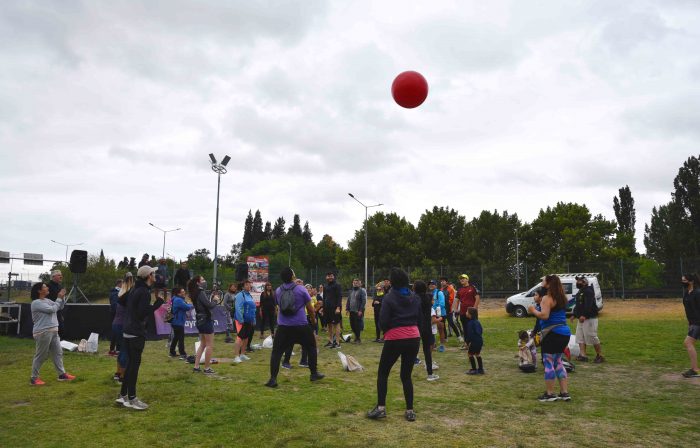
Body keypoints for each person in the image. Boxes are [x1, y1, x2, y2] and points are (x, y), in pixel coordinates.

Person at [367, 268, 422, 422]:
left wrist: (388, 330)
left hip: (395, 337)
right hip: (413, 337)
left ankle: (381, 408)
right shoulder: (415, 297)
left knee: (383, 373)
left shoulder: (389, 297)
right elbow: (419, 317)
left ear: (391, 282)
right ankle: (410, 410)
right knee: (406, 375)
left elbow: (383, 321)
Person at [265, 267, 325, 388]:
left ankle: (273, 379)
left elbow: (278, 308)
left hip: (283, 327)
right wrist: (313, 321)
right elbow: (310, 309)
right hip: (301, 326)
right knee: (311, 347)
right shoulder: (301, 290)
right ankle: (313, 374)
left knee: (276, 352)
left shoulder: (278, 291)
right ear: (293, 276)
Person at [117, 265, 164, 410]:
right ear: (149, 276)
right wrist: (157, 303)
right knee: (134, 366)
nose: (155, 275)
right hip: (136, 332)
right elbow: (143, 313)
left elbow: (121, 300)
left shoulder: (134, 289)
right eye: (153, 273)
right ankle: (132, 398)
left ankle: (123, 396)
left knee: (130, 364)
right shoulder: (143, 291)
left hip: (128, 330)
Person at [528, 276, 571, 402]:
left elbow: (544, 316)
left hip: (552, 334)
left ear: (548, 284)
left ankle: (550, 394)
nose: (541, 283)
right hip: (564, 333)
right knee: (558, 361)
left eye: (543, 281)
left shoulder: (547, 298)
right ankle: (564, 393)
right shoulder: (562, 297)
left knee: (548, 362)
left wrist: (533, 310)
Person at [30, 282, 75, 386]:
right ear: (39, 291)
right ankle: (34, 378)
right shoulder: (36, 303)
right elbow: (52, 309)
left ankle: (62, 375)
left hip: (53, 331)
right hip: (43, 332)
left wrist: (62, 298)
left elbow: (59, 307)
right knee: (41, 355)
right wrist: (59, 298)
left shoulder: (47, 300)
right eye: (45, 287)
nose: (47, 288)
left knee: (58, 353)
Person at [571, 275, 604, 363]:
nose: (577, 282)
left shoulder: (588, 291)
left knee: (592, 337)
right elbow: (578, 305)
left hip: (589, 318)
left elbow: (588, 305)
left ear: (585, 282)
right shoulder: (580, 292)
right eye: (577, 281)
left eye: (579, 281)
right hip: (581, 319)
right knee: (580, 337)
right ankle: (583, 355)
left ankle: (600, 355)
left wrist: (584, 315)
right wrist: (574, 314)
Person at [190, 276, 217, 374]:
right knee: (209, 345)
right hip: (205, 320)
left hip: (199, 320)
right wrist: (215, 300)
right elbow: (209, 305)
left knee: (203, 344)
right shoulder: (200, 292)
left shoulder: (195, 293)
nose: (204, 281)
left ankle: (196, 367)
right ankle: (207, 368)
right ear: (198, 283)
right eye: (202, 280)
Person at [414, 280, 438, 381]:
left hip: (416, 326)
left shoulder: (413, 298)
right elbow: (432, 302)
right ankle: (430, 374)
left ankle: (406, 373)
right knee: (427, 351)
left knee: (412, 351)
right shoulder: (429, 296)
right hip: (427, 327)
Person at [113, 273, 134, 382]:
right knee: (125, 350)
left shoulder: (120, 294)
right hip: (122, 325)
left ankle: (118, 372)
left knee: (121, 349)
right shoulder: (127, 295)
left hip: (116, 324)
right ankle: (123, 376)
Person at [232, 280, 256, 364]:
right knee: (240, 338)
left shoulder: (249, 295)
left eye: (249, 284)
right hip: (241, 320)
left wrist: (253, 319)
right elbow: (238, 308)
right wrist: (240, 319)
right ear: (242, 287)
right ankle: (236, 356)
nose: (249, 286)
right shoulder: (240, 295)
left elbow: (253, 309)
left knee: (246, 337)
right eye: (247, 284)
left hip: (249, 320)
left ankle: (242, 354)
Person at [681, 273, 700, 378]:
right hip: (693, 323)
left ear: (691, 281)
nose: (683, 283)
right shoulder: (687, 293)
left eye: (685, 281)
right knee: (688, 343)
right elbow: (688, 310)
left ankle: (695, 369)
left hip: (698, 322)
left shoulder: (697, 293)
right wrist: (690, 323)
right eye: (682, 280)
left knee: (688, 343)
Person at [457, 274, 480, 349]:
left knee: (473, 327)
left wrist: (474, 309)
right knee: (465, 328)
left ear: (467, 279)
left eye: (463, 278)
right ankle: (466, 344)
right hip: (463, 312)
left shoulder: (472, 287)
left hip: (471, 312)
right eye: (461, 279)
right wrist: (454, 309)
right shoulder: (459, 290)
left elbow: (477, 298)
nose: (462, 280)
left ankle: (475, 343)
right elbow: (456, 300)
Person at [169, 286, 193, 359]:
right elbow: (187, 307)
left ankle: (172, 352)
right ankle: (182, 353)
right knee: (181, 338)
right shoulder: (178, 300)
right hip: (178, 322)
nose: (184, 293)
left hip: (176, 321)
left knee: (176, 337)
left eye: (184, 291)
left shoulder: (176, 299)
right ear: (178, 293)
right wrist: (192, 304)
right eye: (182, 292)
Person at [323, 271, 343, 349]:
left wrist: (338, 307)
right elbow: (324, 298)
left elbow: (339, 297)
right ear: (326, 277)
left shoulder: (337, 285)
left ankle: (337, 343)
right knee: (329, 324)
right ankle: (330, 341)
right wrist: (322, 308)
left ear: (333, 276)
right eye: (328, 276)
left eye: (331, 276)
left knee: (336, 324)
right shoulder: (325, 286)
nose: (330, 277)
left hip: (335, 308)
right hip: (327, 309)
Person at [464, 307, 484, 375]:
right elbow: (481, 331)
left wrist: (467, 342)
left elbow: (470, 334)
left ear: (470, 314)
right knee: (477, 354)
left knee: (470, 354)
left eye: (467, 312)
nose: (466, 313)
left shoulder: (470, 323)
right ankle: (481, 369)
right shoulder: (477, 322)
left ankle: (474, 369)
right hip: (480, 340)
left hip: (474, 341)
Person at [346, 278, 367, 344]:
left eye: (357, 283)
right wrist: (347, 309)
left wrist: (360, 310)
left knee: (357, 325)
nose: (355, 284)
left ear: (359, 284)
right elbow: (348, 300)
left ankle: (358, 339)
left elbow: (363, 301)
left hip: (358, 311)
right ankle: (356, 337)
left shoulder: (362, 291)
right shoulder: (351, 291)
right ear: (352, 283)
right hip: (351, 311)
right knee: (352, 325)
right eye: (354, 283)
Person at [440, 277, 461, 341]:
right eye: (441, 281)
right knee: (442, 324)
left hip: (449, 309)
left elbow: (451, 300)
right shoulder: (441, 289)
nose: (442, 282)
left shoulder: (450, 289)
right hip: (442, 309)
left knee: (451, 323)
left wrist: (447, 305)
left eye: (443, 281)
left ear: (446, 282)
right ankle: (445, 338)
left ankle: (459, 336)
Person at [428, 280, 446, 352]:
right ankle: (434, 344)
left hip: (439, 314)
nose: (431, 285)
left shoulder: (439, 292)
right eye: (430, 284)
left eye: (433, 284)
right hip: (432, 313)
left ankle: (442, 345)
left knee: (440, 329)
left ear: (436, 285)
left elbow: (442, 304)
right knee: (432, 330)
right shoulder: (429, 293)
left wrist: (433, 310)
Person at [47, 270, 66, 339]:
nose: (61, 276)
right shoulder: (48, 286)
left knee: (61, 328)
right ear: (53, 277)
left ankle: (60, 344)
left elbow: (62, 300)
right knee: (55, 328)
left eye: (61, 275)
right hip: (50, 311)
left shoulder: (60, 286)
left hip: (58, 310)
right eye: (58, 275)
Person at [108, 279, 123, 356]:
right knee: (118, 332)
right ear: (119, 284)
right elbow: (114, 305)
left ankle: (113, 349)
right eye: (122, 283)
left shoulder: (115, 292)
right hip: (116, 314)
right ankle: (117, 350)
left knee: (115, 332)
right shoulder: (115, 293)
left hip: (116, 314)